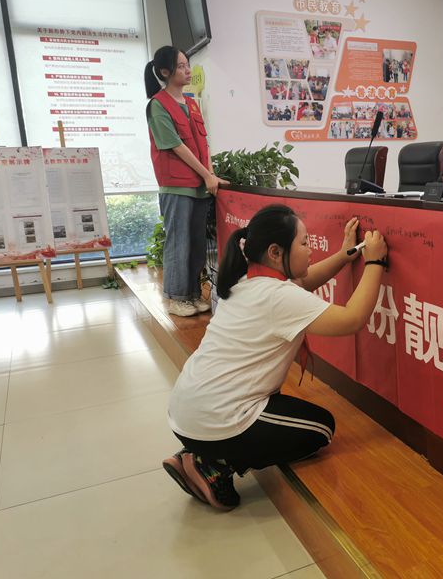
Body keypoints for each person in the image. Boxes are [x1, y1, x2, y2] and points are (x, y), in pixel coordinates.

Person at [161, 204, 389, 510]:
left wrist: (345, 255)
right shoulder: (278, 296)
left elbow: (303, 282)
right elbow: (352, 319)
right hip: (216, 419)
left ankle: (199, 453)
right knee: (321, 429)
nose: (311, 250)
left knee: (291, 416)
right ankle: (213, 464)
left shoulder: (247, 280)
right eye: (304, 243)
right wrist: (375, 261)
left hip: (186, 412)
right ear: (275, 252)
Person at [144, 45, 229, 317]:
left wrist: (210, 174)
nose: (187, 70)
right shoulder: (158, 105)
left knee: (196, 243)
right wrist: (206, 175)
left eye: (187, 65)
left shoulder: (191, 103)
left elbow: (203, 143)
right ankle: (176, 297)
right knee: (178, 242)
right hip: (177, 186)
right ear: (165, 72)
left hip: (200, 185)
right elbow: (176, 146)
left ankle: (192, 294)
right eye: (180, 66)